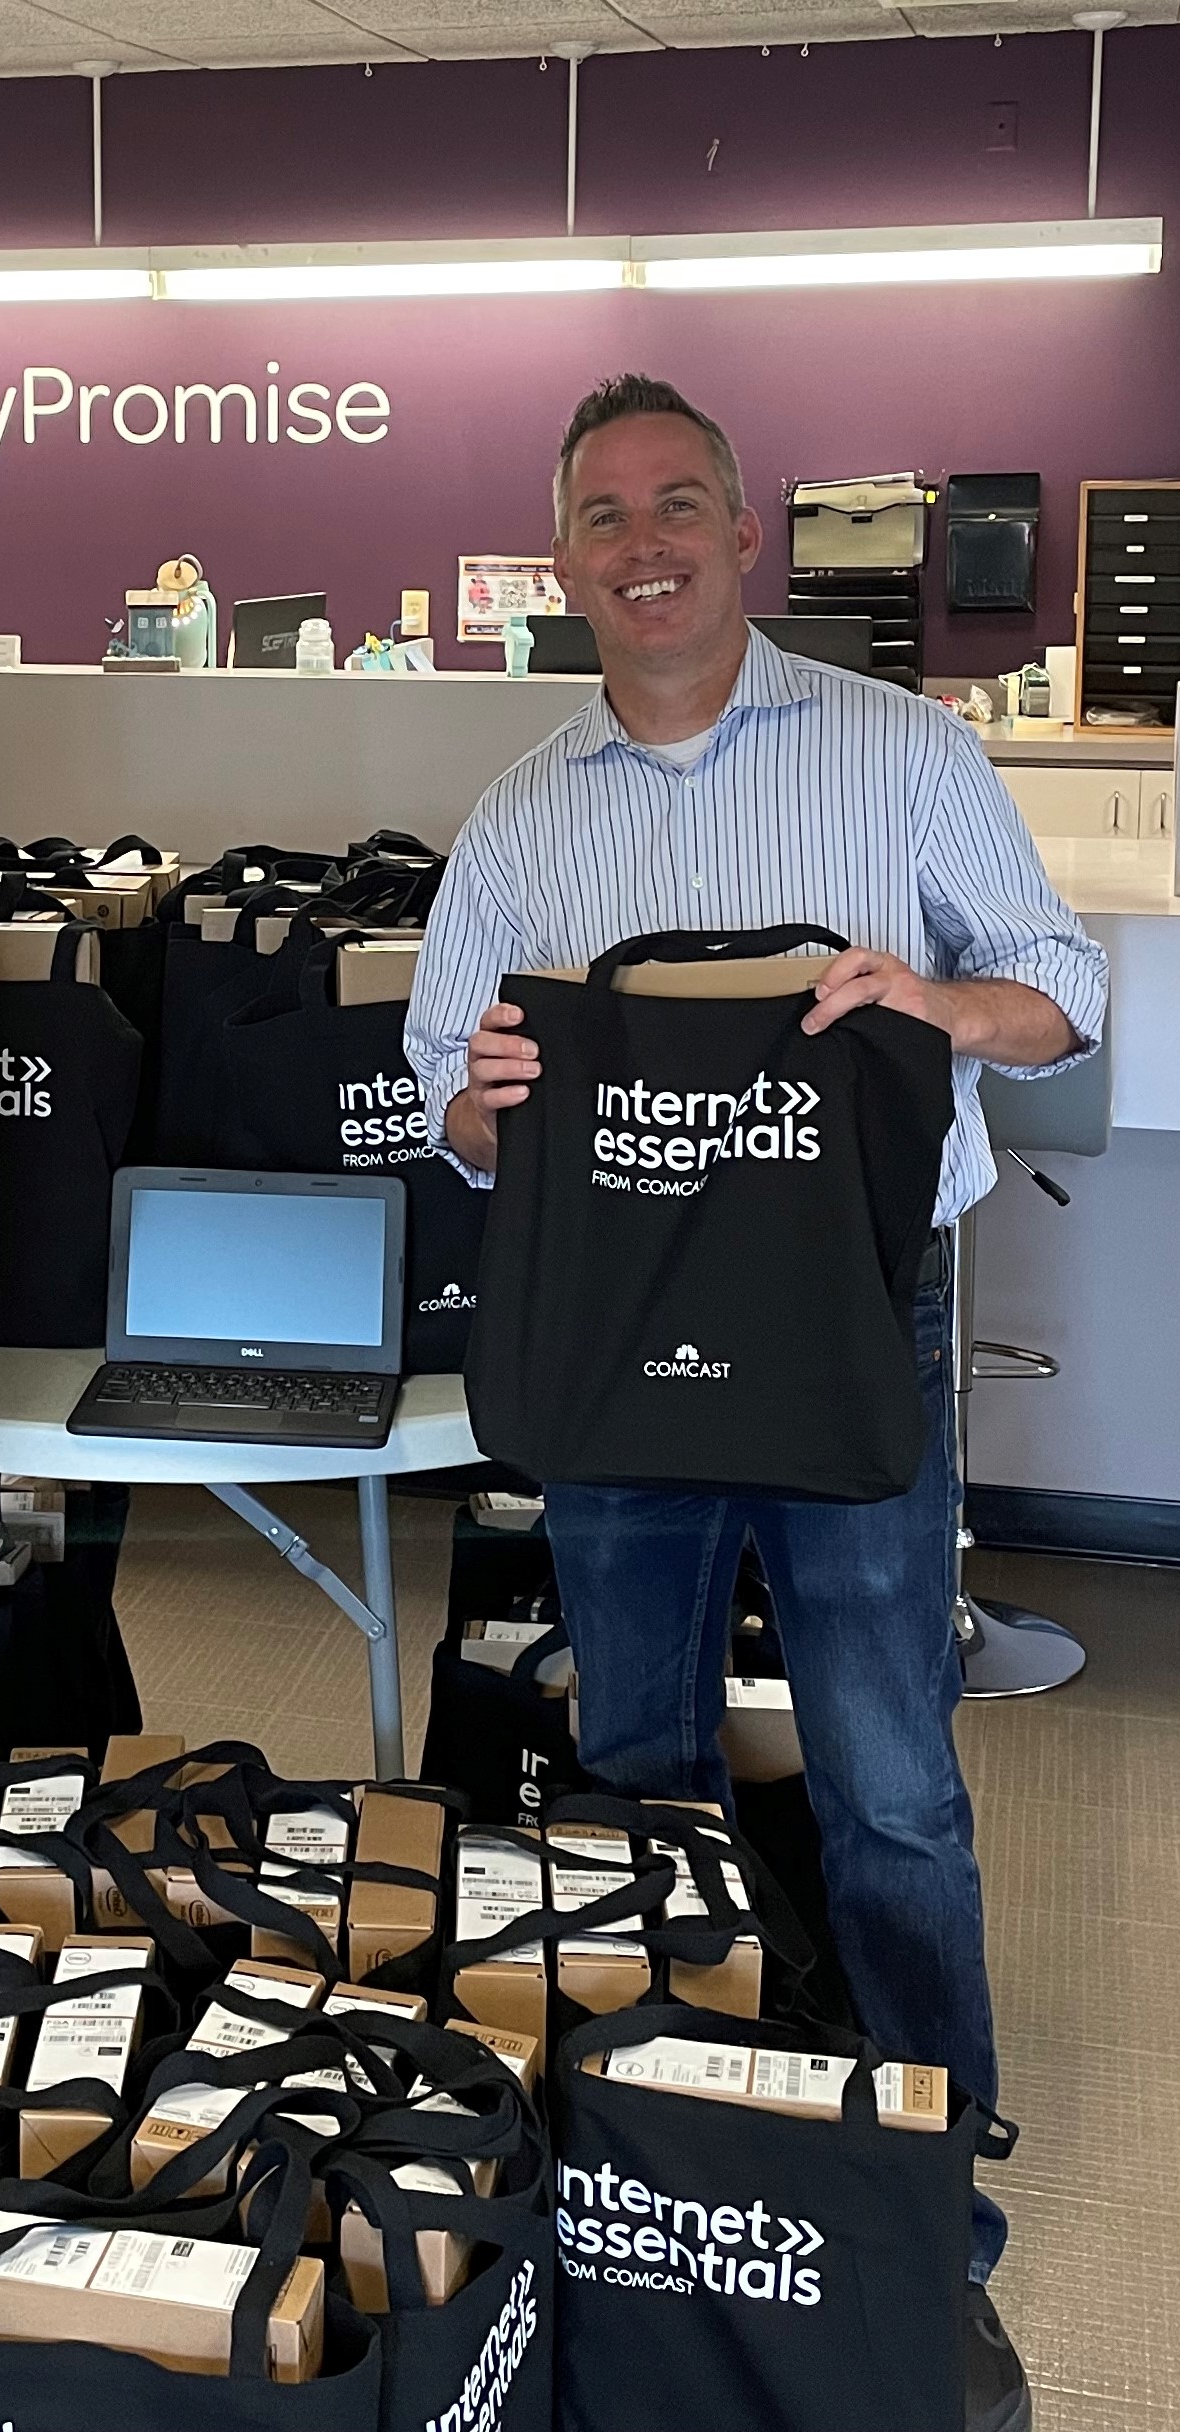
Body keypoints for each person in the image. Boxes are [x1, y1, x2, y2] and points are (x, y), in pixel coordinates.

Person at [406, 372, 1105, 2432]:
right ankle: (653, 2166)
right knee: (627, 1766)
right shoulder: (524, 813)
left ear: (746, 538)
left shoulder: (901, 754)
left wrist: (930, 1003)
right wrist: (474, 1104)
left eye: (679, 505)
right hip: (619, 1352)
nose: (644, 544)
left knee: (890, 1782)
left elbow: (1063, 986)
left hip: (843, 1330)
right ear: (566, 559)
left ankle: (925, 2204)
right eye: (604, 514)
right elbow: (445, 1099)